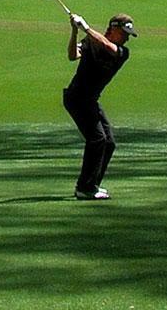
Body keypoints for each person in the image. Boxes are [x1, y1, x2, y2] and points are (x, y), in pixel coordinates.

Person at [62, 12, 134, 201]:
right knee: (97, 139)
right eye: (125, 33)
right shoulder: (91, 41)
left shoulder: (121, 52)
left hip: (90, 100)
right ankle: (84, 187)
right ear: (113, 28)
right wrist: (74, 32)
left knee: (108, 142)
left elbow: (107, 46)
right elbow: (72, 55)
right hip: (76, 98)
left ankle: (91, 185)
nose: (127, 38)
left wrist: (85, 27)